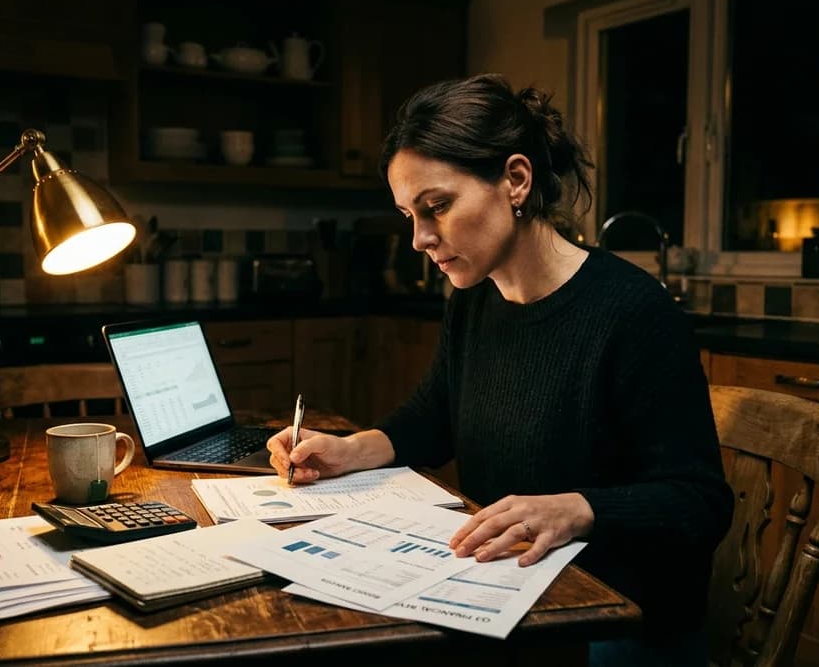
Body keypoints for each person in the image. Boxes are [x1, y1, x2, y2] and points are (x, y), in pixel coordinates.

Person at [266, 73, 732, 666]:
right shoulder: (475, 297)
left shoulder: (634, 312)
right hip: (506, 596)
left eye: (436, 206)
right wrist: (352, 450)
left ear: (515, 180)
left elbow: (699, 503)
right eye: (410, 214)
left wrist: (576, 510)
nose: (419, 238)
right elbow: (437, 415)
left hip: (615, 620)